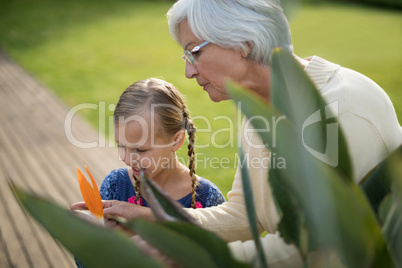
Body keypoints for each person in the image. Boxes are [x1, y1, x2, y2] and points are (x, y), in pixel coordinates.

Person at [73, 1, 402, 267]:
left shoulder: (341, 109)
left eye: (194, 52)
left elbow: (317, 247)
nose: (188, 71)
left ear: (243, 42)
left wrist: (189, 254)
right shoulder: (257, 110)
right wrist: (159, 217)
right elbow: (243, 217)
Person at [73, 78, 225, 267]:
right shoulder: (116, 185)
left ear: (176, 140)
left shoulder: (208, 199)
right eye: (121, 146)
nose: (128, 159)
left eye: (141, 150)